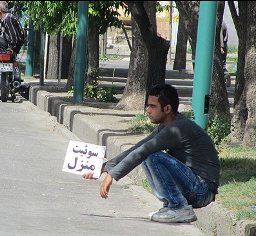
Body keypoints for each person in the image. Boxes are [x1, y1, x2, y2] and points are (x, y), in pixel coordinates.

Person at [83, 83, 220, 223]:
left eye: (153, 106)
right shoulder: (167, 127)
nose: (148, 110)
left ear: (167, 108)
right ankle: (171, 206)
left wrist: (112, 175)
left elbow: (143, 151)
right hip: (194, 186)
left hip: (201, 191)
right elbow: (139, 147)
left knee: (154, 157)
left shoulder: (177, 129)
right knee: (148, 153)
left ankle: (179, 207)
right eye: (148, 106)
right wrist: (106, 167)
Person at [220, 21, 231, 87]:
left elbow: (220, 36)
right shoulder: (223, 23)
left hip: (221, 47)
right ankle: (224, 74)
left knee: (219, 64)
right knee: (223, 64)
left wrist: (221, 47)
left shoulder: (219, 24)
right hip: (225, 46)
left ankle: (225, 74)